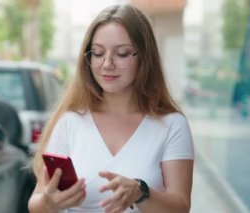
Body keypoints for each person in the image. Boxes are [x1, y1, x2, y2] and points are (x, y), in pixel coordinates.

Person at [28, 4, 194, 213]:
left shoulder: (171, 125)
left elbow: (181, 207)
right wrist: (48, 203)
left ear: (144, 57)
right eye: (98, 53)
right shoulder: (71, 122)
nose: (107, 64)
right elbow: (36, 202)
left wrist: (141, 191)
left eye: (122, 54)